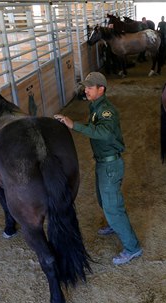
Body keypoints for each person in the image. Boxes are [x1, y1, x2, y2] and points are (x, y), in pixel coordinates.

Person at [55, 72, 143, 266]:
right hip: (103, 163)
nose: (85, 90)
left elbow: (103, 132)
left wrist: (73, 125)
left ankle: (132, 247)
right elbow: (95, 127)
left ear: (101, 89)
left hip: (110, 165)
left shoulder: (106, 111)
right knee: (104, 200)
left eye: (90, 87)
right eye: (85, 87)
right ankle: (114, 224)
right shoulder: (96, 107)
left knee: (113, 207)